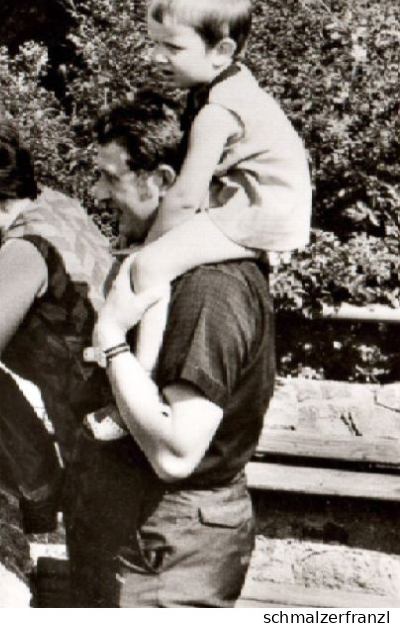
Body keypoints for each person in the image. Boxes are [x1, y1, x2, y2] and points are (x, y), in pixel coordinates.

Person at [85, 92, 276, 606]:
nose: (98, 192)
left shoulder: (210, 289)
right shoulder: (173, 269)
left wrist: (110, 342)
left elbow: (176, 453)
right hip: (153, 533)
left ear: (164, 181)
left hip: (176, 544)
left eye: (110, 177)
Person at [100, 0, 309, 434]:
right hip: (260, 204)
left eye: (172, 48)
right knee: (156, 264)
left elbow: (186, 196)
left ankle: (140, 387)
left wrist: (145, 251)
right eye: (154, 43)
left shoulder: (218, 111)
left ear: (222, 51)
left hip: (258, 210)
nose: (156, 57)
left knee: (150, 268)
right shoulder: (225, 87)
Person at [0, 115, 117, 594]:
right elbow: (34, 300)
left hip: (97, 446)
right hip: (117, 420)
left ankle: (39, 482)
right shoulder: (57, 207)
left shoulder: (22, 249)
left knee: (101, 588)